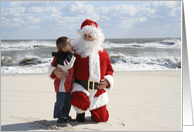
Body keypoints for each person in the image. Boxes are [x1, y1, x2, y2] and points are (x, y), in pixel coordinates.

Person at [50, 19, 114, 123]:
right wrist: (54, 71)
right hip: (80, 87)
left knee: (102, 119)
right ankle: (80, 113)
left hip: (97, 90)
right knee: (80, 100)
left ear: (96, 36)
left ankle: (94, 109)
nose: (87, 38)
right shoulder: (74, 50)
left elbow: (109, 70)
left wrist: (107, 81)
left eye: (90, 36)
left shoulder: (103, 53)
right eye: (85, 35)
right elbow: (57, 60)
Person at [48, 36, 76, 123]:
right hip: (61, 85)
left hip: (68, 85)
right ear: (64, 48)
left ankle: (65, 116)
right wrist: (72, 54)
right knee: (60, 102)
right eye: (69, 44)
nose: (71, 45)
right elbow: (67, 65)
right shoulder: (59, 57)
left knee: (68, 102)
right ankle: (59, 117)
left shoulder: (66, 55)